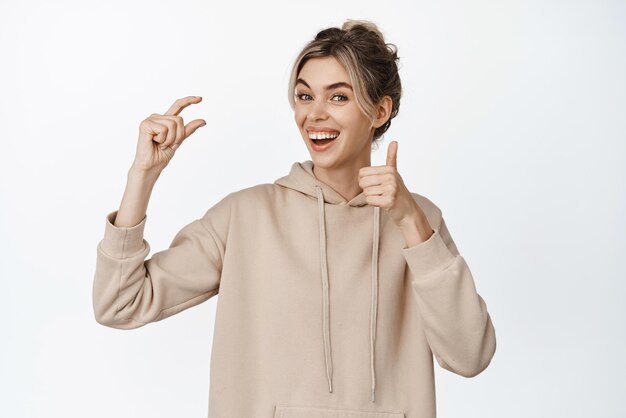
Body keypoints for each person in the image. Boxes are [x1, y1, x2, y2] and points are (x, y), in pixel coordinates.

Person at [93, 19, 496, 418]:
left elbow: (470, 355)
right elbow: (119, 304)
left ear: (379, 110)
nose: (315, 115)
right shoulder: (246, 216)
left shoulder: (419, 220)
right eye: (304, 97)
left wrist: (410, 223)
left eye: (338, 97)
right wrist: (142, 177)